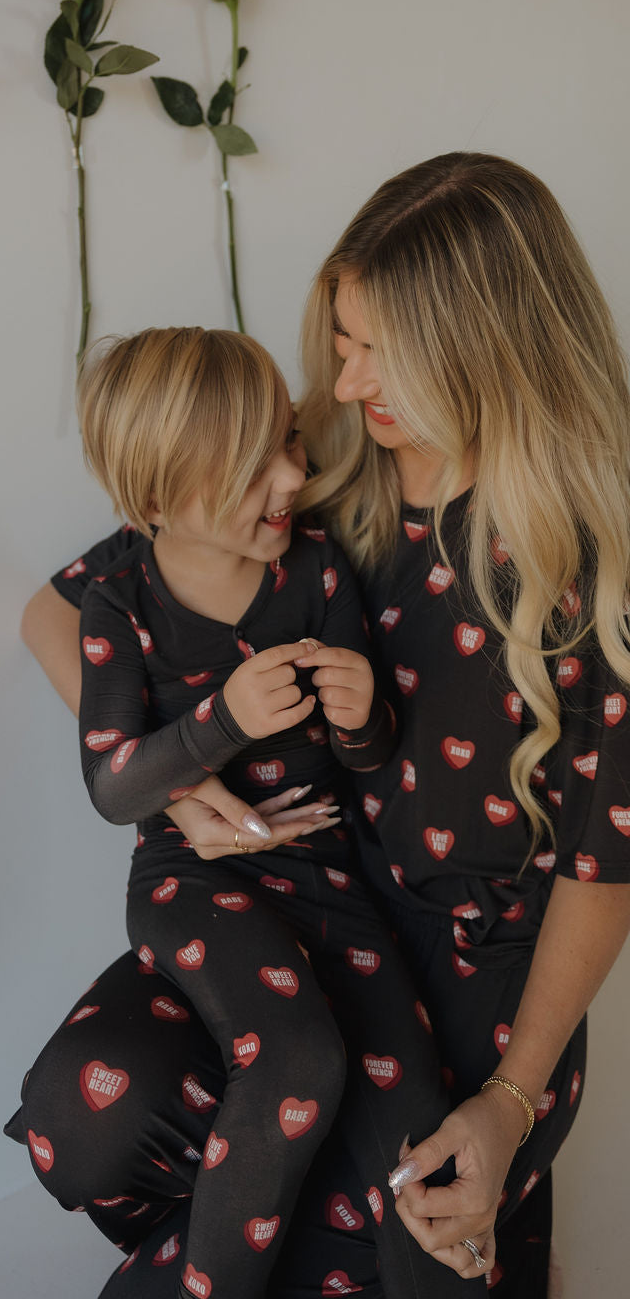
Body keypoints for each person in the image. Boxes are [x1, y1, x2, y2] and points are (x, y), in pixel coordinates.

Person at [5, 152, 630, 1297]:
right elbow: (64, 608)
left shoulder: (585, 573)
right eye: (340, 342)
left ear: (476, 347)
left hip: (472, 986)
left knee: (413, 1244)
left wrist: (507, 1101)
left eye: (375, 350)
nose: (341, 383)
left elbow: (603, 868)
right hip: (293, 909)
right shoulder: (311, 475)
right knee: (84, 1108)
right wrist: (178, 776)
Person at [69, 326, 458, 1299]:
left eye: (288, 439)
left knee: (416, 1109)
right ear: (158, 501)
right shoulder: (119, 602)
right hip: (195, 881)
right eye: (254, 469)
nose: (293, 476)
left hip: (329, 880)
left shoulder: (315, 571)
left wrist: (364, 716)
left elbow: (366, 758)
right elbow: (112, 786)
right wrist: (223, 722)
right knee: (296, 1056)